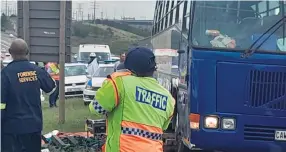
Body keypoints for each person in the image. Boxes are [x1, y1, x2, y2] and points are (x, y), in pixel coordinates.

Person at [89, 47, 175, 152]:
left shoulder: (119, 83)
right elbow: (163, 127)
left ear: (130, 68)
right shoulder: (168, 97)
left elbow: (96, 108)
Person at [1, 38, 56, 152]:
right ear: (27, 52)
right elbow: (51, 88)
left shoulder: (5, 74)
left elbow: (1, 103)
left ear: (10, 52)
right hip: (33, 126)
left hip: (11, 129)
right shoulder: (36, 70)